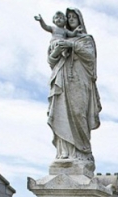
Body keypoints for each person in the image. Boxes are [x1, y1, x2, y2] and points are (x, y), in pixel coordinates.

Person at [38, 8, 101, 163]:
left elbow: (89, 56)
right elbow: (51, 62)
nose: (71, 19)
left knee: (79, 114)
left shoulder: (85, 39)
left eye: (74, 17)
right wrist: (57, 51)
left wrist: (71, 45)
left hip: (80, 82)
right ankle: (64, 153)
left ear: (80, 19)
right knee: (61, 114)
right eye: (69, 17)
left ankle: (82, 152)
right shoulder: (58, 38)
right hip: (61, 81)